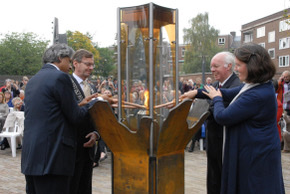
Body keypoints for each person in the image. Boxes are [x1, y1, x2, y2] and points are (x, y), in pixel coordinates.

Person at [181, 43, 285, 193]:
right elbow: (225, 93)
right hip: (254, 151)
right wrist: (195, 92)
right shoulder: (258, 86)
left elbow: (223, 117)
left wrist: (216, 99)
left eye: (239, 65)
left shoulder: (257, 94)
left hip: (257, 154)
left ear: (252, 66)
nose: (236, 69)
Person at [21, 44, 114, 194]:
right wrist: (97, 101)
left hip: (32, 157)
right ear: (60, 58)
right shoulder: (60, 77)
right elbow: (75, 116)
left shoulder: (34, 80)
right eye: (69, 61)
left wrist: (83, 103)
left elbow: (52, 112)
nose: (70, 66)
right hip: (53, 158)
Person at [190, 52, 241, 193]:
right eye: (211, 66)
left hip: (227, 142)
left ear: (229, 66)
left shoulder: (237, 86)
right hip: (213, 140)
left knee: (224, 178)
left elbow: (217, 108)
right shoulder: (213, 85)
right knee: (213, 177)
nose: (212, 70)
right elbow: (204, 98)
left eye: (215, 66)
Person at [69, 49, 100, 194]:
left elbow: (97, 115)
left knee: (85, 187)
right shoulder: (66, 84)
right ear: (75, 63)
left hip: (89, 146)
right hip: (73, 145)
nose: (91, 68)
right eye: (87, 64)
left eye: (92, 65)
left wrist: (96, 133)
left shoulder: (92, 87)